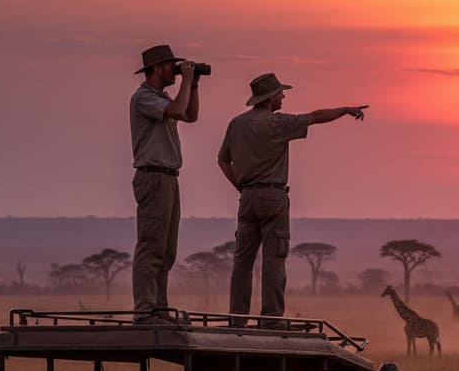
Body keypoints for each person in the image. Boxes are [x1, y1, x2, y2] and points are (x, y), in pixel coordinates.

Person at [217, 72, 367, 323]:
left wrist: (241, 187)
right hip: (273, 197)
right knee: (274, 260)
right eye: (280, 93)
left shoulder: (236, 124)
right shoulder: (277, 123)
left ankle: (237, 319)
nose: (283, 96)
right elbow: (316, 117)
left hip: (247, 198)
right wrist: (345, 109)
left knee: (242, 262)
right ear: (270, 98)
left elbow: (222, 160)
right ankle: (271, 319)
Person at [129, 44, 201, 322]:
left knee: (166, 250)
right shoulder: (143, 98)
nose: (174, 70)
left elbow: (190, 115)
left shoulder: (162, 98)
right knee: (151, 246)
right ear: (157, 69)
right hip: (153, 176)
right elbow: (176, 110)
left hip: (168, 178)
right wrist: (186, 79)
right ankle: (145, 310)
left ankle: (158, 308)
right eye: (171, 66)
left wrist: (193, 86)